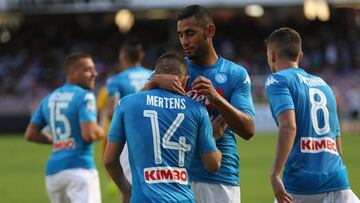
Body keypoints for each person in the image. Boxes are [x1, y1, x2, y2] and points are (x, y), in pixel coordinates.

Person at [144, 5, 255, 203]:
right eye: (180, 35)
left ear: (209, 31)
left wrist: (216, 99)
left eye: (190, 33)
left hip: (220, 180)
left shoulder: (235, 74)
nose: (184, 41)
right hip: (176, 179)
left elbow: (248, 130)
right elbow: (133, 107)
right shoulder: (174, 71)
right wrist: (153, 83)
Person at [104, 52, 222, 203]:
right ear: (185, 80)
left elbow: (109, 161)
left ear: (155, 75)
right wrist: (212, 137)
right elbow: (213, 164)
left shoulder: (126, 104)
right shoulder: (197, 109)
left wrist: (127, 191)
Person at [264, 27, 360, 203]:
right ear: (300, 56)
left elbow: (288, 125)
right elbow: (336, 136)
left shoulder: (277, 80)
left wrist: (275, 174)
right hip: (337, 182)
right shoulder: (324, 84)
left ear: (272, 55)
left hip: (301, 185)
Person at [24, 52, 104, 203]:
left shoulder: (49, 98)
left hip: (54, 174)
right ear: (73, 73)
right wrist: (105, 130)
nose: (94, 74)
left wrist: (61, 141)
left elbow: (30, 134)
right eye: (88, 69)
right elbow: (90, 135)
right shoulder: (85, 96)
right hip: (80, 169)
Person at [106, 36, 153, 183]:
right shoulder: (153, 75)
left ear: (122, 56)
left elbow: (110, 112)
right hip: (156, 136)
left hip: (130, 139)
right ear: (141, 55)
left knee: (131, 187)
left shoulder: (116, 80)